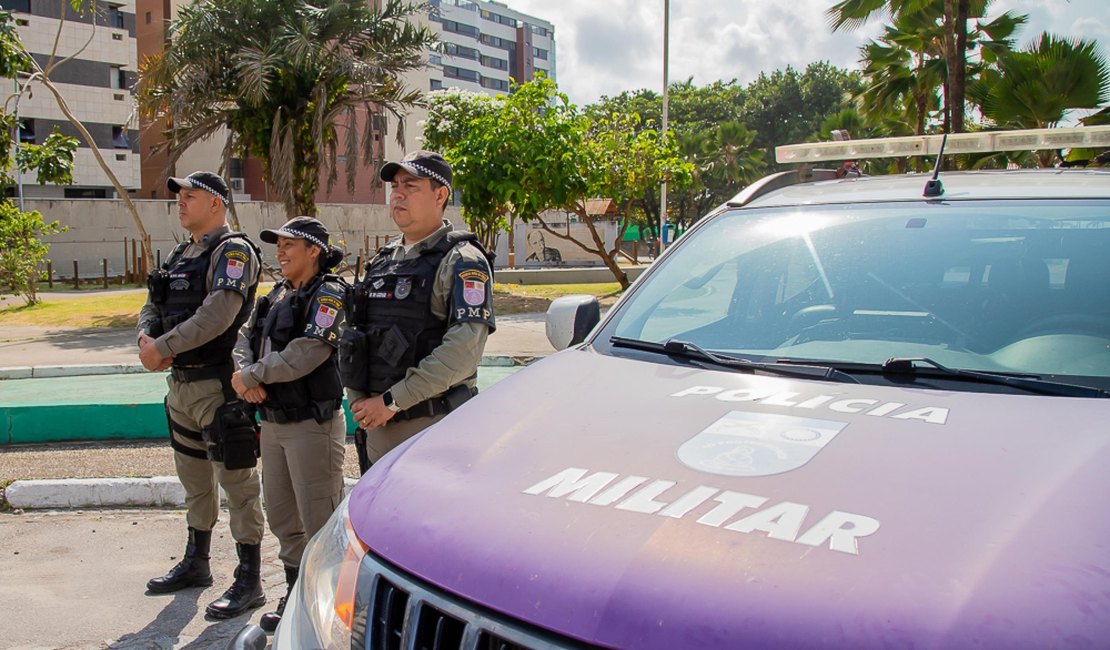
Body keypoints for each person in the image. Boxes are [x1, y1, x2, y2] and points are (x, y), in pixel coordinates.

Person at [137, 170, 267, 620]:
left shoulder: (234, 252)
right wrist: (144, 342)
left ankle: (250, 578)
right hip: (181, 386)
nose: (181, 202)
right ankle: (198, 562)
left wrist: (163, 348)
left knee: (237, 483)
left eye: (190, 196)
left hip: (218, 384)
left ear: (216, 204)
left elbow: (218, 314)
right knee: (194, 480)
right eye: (180, 196)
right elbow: (153, 302)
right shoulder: (180, 253)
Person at [341, 150, 495, 471]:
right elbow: (358, 334)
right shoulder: (383, 260)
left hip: (431, 429)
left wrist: (390, 401)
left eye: (410, 186)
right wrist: (359, 398)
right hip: (377, 426)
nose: (397, 194)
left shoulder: (462, 260)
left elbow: (462, 353)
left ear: (440, 195)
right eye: (395, 186)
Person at [230, 217, 347, 633]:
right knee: (282, 516)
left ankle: (328, 605)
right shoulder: (275, 293)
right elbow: (243, 337)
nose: (279, 251)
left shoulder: (329, 293)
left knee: (319, 519)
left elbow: (309, 351)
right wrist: (246, 377)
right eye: (277, 244)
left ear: (314, 249)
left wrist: (255, 375)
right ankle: (296, 593)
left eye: (289, 244)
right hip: (274, 423)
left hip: (310, 426)